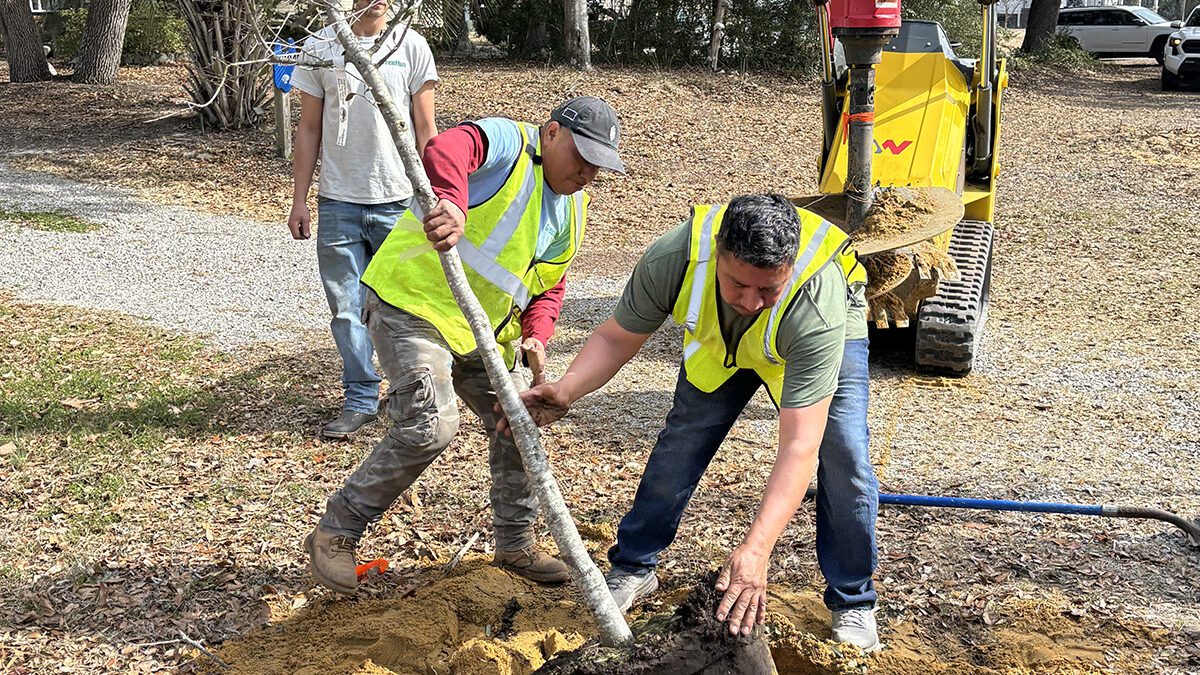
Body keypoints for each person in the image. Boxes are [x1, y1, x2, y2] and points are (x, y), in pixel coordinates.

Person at [500, 194, 882, 650]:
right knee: (682, 441)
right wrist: (567, 389)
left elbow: (801, 444)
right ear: (718, 254)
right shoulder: (675, 257)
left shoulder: (817, 301)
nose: (751, 302)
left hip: (807, 344)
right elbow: (618, 336)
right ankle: (634, 566)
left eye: (768, 289)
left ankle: (853, 600)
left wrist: (757, 550)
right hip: (719, 349)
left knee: (845, 460)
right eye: (738, 284)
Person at [304, 96, 627, 595]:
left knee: (520, 422)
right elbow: (447, 147)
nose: (585, 174)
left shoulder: (574, 210)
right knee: (430, 426)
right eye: (580, 158)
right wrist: (453, 200)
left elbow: (547, 286)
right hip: (411, 305)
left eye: (596, 168)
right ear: (552, 132)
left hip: (480, 334)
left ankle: (515, 545)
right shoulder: (510, 143)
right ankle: (336, 532)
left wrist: (538, 334)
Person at [288, 0, 439, 440]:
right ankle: (359, 397)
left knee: (405, 308)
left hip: (399, 202)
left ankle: (413, 395)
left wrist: (436, 197)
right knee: (345, 308)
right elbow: (309, 128)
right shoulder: (321, 46)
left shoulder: (409, 45)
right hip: (338, 201)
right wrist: (300, 199)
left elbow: (426, 129)